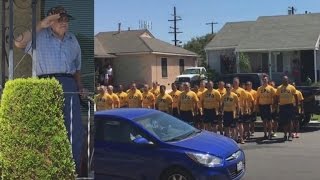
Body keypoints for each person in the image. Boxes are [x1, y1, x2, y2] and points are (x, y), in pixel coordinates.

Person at [14, 5, 85, 173]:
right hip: (45, 83)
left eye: (66, 20)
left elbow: (76, 68)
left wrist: (80, 86)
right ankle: (46, 170)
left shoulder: (72, 39)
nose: (64, 23)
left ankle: (71, 170)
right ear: (50, 21)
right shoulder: (38, 37)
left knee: (73, 129)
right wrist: (42, 24)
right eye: (60, 19)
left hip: (69, 84)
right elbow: (18, 42)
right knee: (46, 128)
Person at [275, 76, 298, 141]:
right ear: (282, 80)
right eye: (284, 80)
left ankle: (290, 134)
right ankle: (285, 134)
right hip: (282, 106)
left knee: (290, 120)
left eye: (286, 80)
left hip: (290, 106)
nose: (285, 81)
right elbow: (277, 97)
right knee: (284, 122)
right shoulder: (279, 88)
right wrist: (276, 105)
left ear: (288, 80)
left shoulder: (292, 87)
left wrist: (296, 105)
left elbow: (295, 96)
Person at [232, 77, 247, 144]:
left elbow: (245, 100)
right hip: (233, 110)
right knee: (234, 125)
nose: (235, 83)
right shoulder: (231, 90)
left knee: (240, 124)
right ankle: (235, 138)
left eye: (236, 82)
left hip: (240, 109)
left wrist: (246, 109)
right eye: (234, 82)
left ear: (238, 83)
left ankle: (241, 138)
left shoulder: (242, 90)